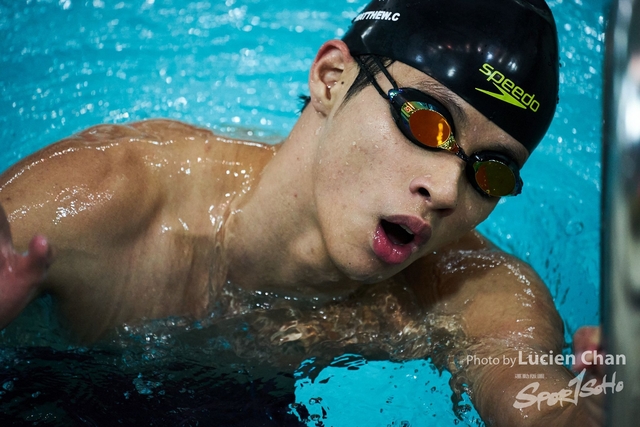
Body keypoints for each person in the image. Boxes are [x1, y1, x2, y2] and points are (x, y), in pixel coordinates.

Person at [0, 0, 603, 424]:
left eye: (489, 170)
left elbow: (541, 407)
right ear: (331, 78)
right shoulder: (99, 202)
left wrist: (601, 413)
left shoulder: (471, 289)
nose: (448, 190)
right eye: (427, 122)